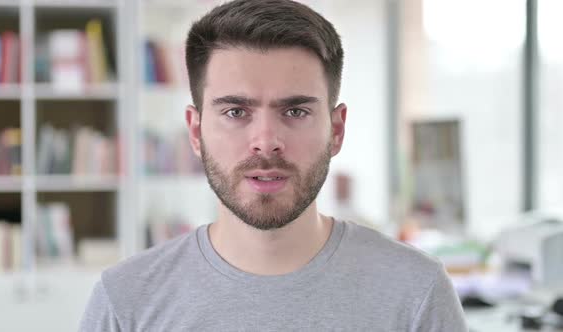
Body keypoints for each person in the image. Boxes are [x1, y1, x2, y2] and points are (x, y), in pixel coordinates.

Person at [80, 0, 468, 330]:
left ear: (336, 130)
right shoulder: (125, 302)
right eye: (235, 111)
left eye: (295, 110)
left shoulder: (417, 293)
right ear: (195, 132)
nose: (266, 141)